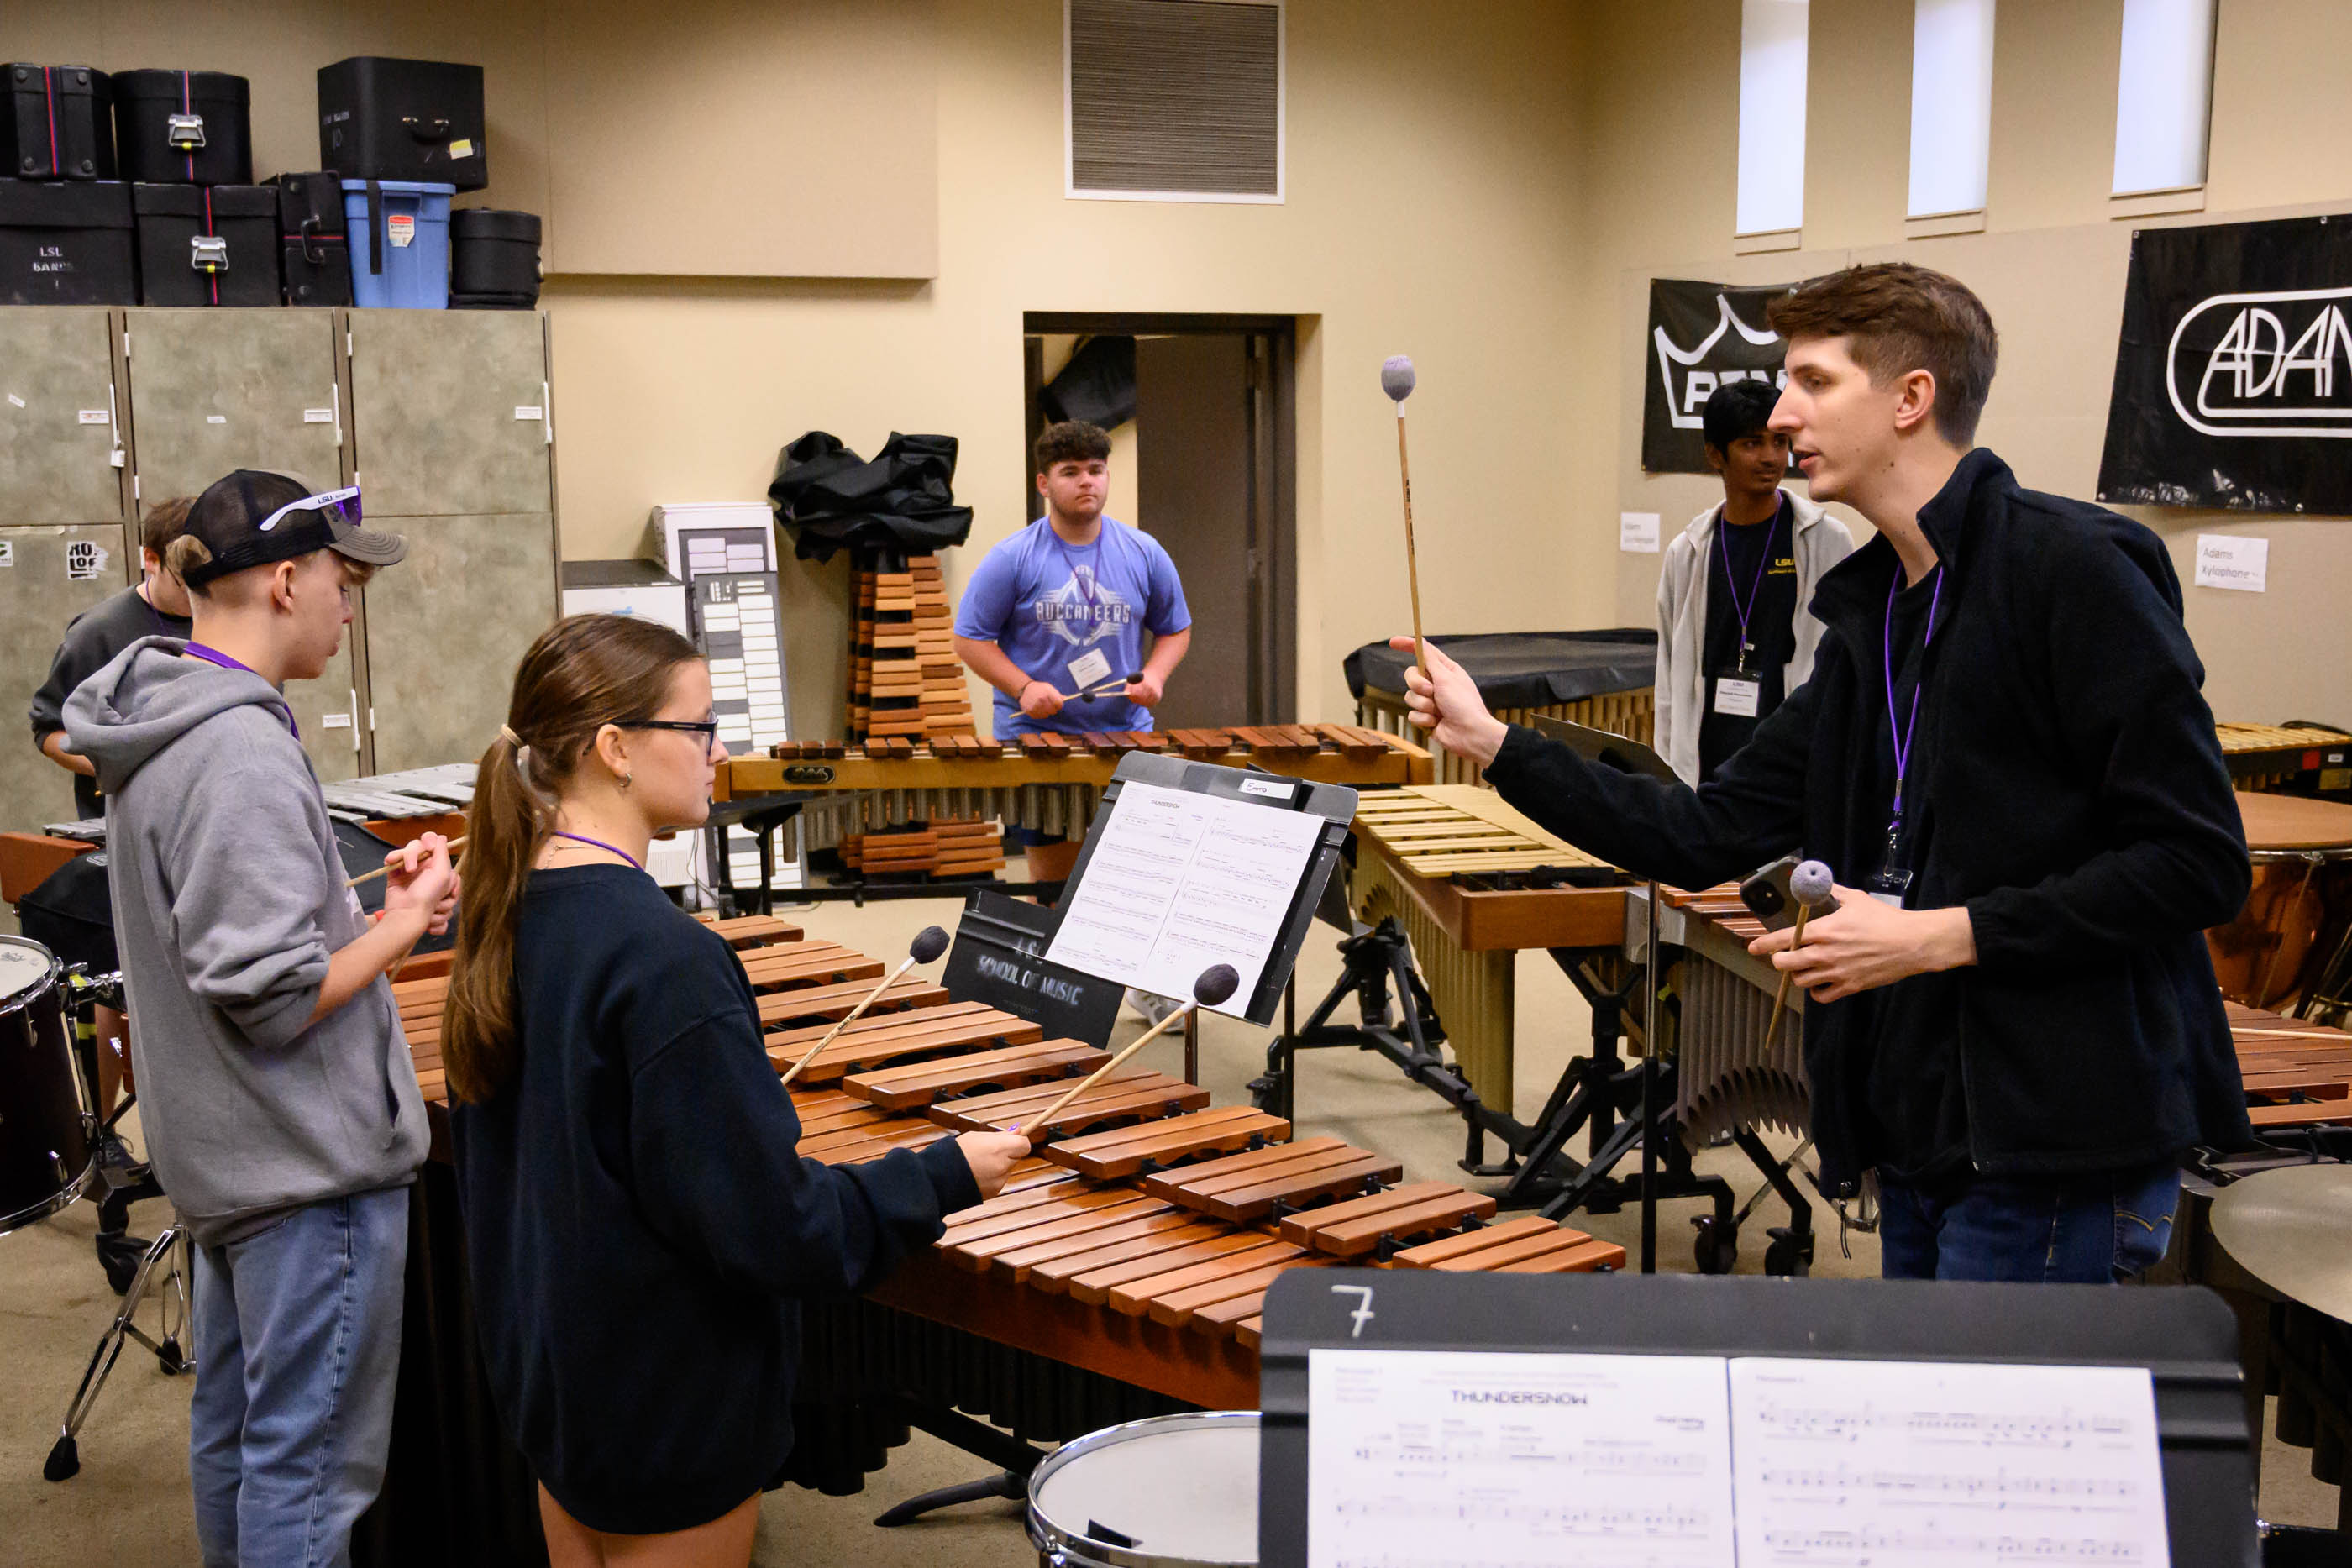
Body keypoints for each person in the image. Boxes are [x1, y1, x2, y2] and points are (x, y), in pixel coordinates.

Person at [1398, 262, 2250, 1284]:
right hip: (1918, 1123)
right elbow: (1704, 832)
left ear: (1910, 398)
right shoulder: (1868, 621)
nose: (1781, 414)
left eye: (1813, 381)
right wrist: (1495, 743)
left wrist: (1935, 934)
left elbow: (2196, 862)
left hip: (2050, 1136)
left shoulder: (2071, 572)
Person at [441, 614, 1029, 1566]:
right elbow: (778, 1231)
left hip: (560, 1380)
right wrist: (943, 1174)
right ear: (615, 748)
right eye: (701, 727)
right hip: (664, 1403)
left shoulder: (502, 909)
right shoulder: (664, 958)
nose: (720, 752)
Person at [62, 469, 455, 1566]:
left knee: (241, 1439)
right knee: (308, 1474)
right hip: (303, 1170)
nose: (349, 606)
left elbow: (230, 937)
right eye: (342, 581)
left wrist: (359, 909)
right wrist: (406, 923)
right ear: (285, 581)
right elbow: (272, 995)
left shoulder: (166, 722)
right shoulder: (239, 754)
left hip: (230, 1159)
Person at [952, 419, 1192, 883]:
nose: (1087, 481)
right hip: (1039, 741)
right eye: (1071, 472)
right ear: (1044, 483)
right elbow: (969, 639)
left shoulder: (1144, 552)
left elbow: (1176, 629)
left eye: (1096, 470)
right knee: (1054, 888)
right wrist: (1023, 687)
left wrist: (1156, 675)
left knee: (1127, 884)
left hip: (1125, 737)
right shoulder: (1012, 557)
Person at [1655, 379, 1852, 785]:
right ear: (1715, 455)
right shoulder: (1687, 551)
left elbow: (1844, 666)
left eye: (1779, 442)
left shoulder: (1826, 541)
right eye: (1751, 444)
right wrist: (1668, 774)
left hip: (1789, 768)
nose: (1770, 457)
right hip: (1705, 767)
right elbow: (1669, 673)